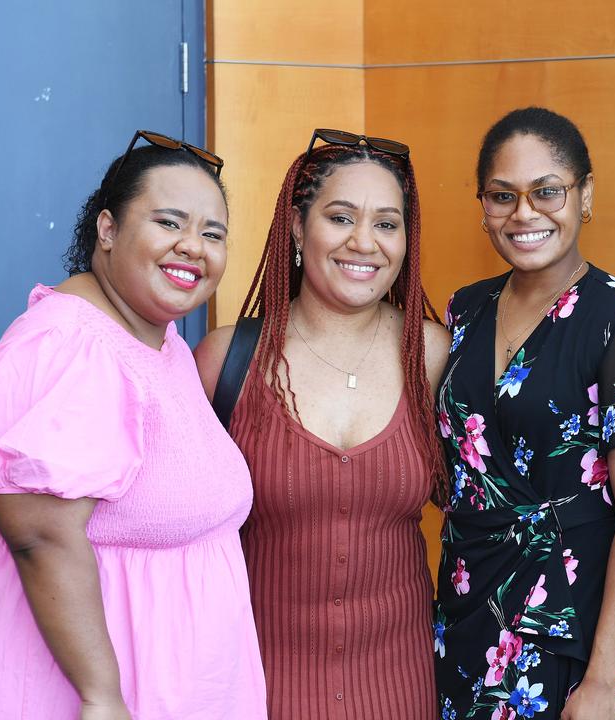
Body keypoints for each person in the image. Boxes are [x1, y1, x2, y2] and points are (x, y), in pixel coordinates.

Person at [0, 131, 267, 719]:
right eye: (169, 222)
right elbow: (43, 534)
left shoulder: (157, 341)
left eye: (213, 233)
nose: (193, 247)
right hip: (75, 689)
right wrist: (101, 695)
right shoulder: (78, 345)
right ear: (107, 229)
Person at [433, 107, 615, 720]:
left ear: (585, 195)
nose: (524, 214)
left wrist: (602, 680)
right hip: (467, 613)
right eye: (502, 196)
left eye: (547, 191)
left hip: (574, 629)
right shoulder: (465, 310)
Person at [194, 129, 450, 719]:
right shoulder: (227, 360)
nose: (365, 242)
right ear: (295, 227)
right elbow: (148, 482)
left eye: (387, 224)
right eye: (340, 218)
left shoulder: (431, 355)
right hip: (257, 691)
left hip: (403, 691)